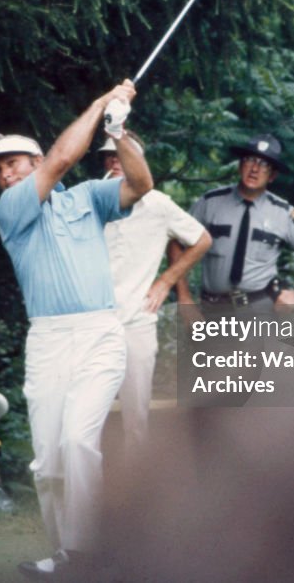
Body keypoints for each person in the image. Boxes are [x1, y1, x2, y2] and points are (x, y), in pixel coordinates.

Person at [0, 79, 150, 579]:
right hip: (48, 340)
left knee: (78, 442)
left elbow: (141, 184)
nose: (6, 174)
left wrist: (119, 132)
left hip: (98, 333)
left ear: (29, 160)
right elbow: (60, 159)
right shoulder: (11, 210)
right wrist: (98, 104)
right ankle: (61, 554)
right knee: (48, 465)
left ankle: (88, 555)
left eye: (12, 163)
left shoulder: (88, 198)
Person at [98, 132, 211, 452]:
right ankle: (90, 494)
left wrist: (166, 281)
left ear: (139, 162)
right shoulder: (90, 201)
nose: (115, 161)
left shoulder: (159, 205)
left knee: (136, 419)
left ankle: (138, 494)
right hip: (92, 323)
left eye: (122, 155)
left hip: (137, 322)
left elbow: (202, 240)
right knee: (86, 417)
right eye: (109, 156)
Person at [184, 134, 294, 312]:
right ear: (240, 165)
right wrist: (184, 298)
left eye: (264, 164)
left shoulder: (283, 213)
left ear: (272, 176)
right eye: (250, 160)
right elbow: (177, 242)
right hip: (211, 310)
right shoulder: (210, 202)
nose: (255, 169)